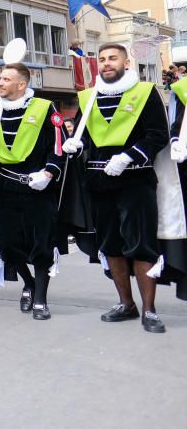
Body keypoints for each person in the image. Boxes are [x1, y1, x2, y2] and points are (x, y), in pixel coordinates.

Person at [68, 43, 176, 333]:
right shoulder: (88, 97)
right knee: (111, 245)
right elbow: (83, 136)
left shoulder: (145, 92)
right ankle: (125, 303)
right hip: (99, 183)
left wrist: (129, 156)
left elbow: (158, 135)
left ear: (126, 63)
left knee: (141, 244)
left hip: (135, 180)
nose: (106, 64)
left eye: (112, 58)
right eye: (101, 59)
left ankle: (149, 310)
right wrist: (75, 146)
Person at [0, 63, 65, 320]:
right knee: (7, 244)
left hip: (38, 186)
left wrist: (48, 173)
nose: (0, 83)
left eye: (6, 79)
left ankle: (40, 299)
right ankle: (29, 283)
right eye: (0, 78)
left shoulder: (45, 108)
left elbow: (57, 146)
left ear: (22, 84)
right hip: (6, 187)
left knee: (41, 244)